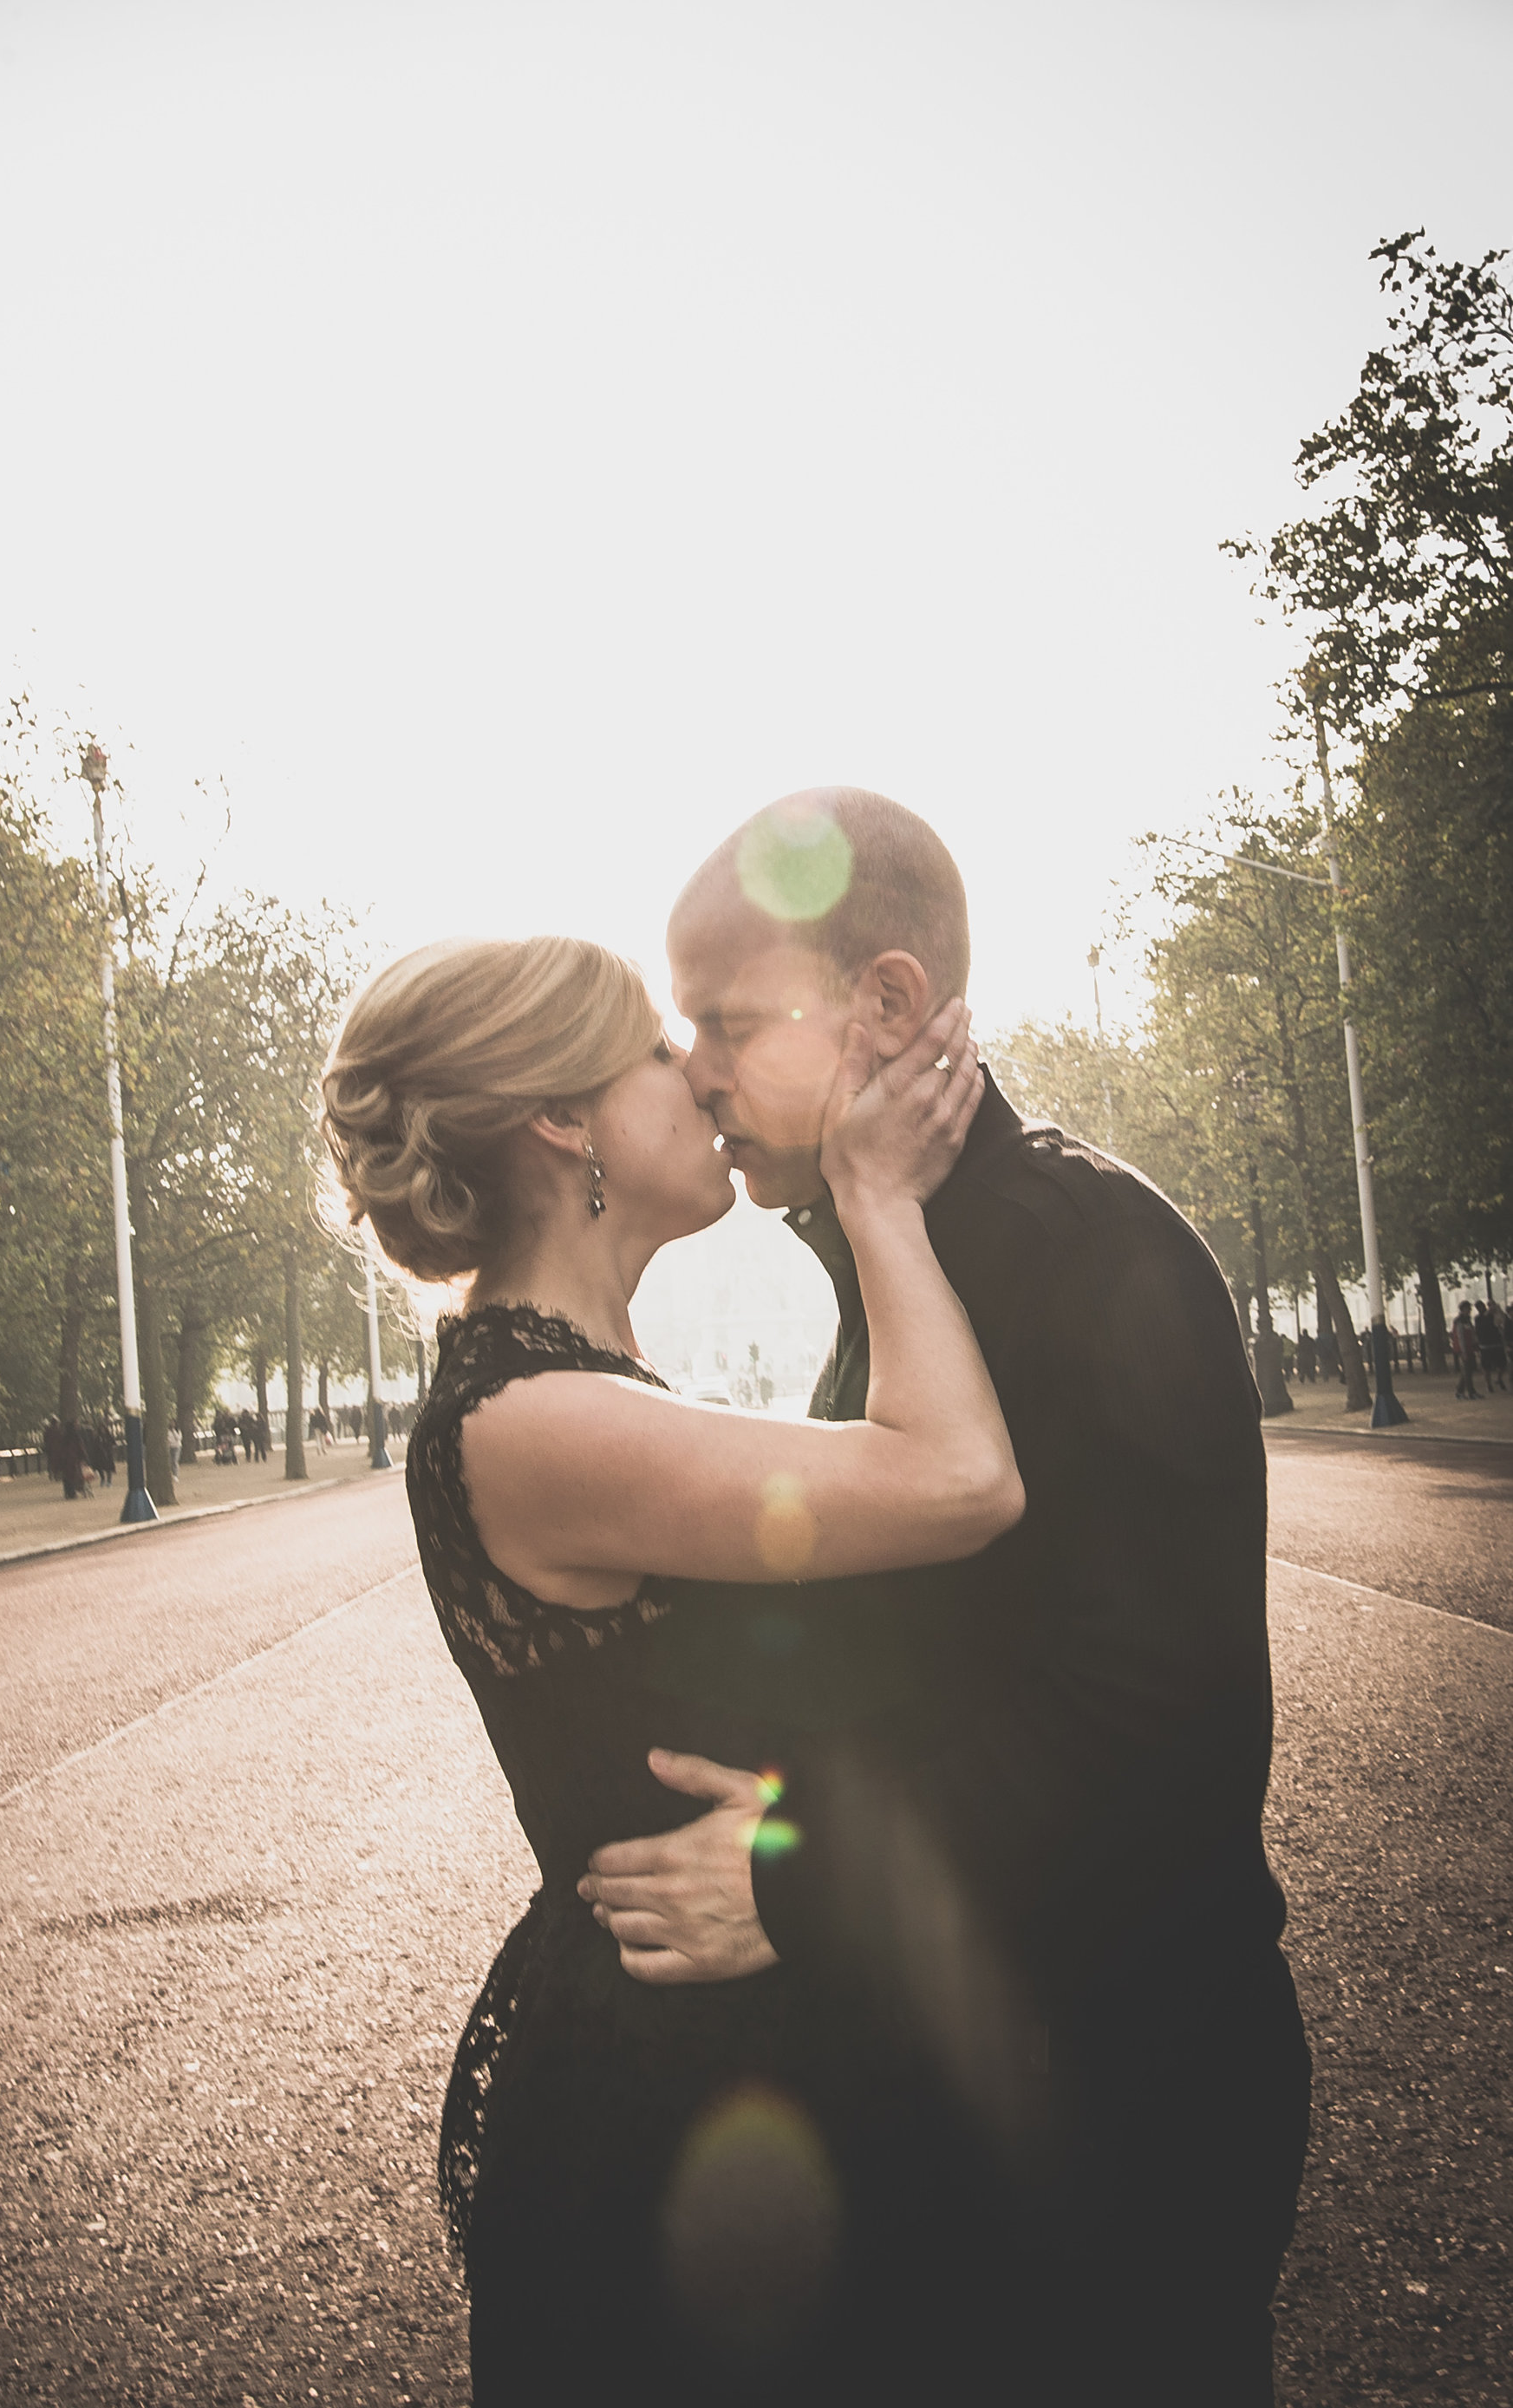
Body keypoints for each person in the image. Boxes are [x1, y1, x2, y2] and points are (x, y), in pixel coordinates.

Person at [575, 789, 1309, 2405]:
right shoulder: (902, 1258)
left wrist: (797, 1879)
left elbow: (1153, 1727)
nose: (693, 1067)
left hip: (1129, 2104)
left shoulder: (1083, 1257)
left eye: (724, 1019)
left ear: (887, 1006)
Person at [323, 930, 1019, 2404]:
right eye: (656, 1047)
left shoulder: (571, 1390)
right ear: (563, 1120)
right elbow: (958, 1478)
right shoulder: (541, 1421)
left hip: (714, 2054)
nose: (699, 1073)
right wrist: (879, 1195)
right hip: (675, 2096)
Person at [1452, 1302, 1480, 1398]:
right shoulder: (1459, 1321)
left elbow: (1472, 1334)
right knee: (1467, 1370)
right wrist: (1463, 1351)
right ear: (1463, 1309)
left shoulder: (1467, 1320)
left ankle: (1460, 1391)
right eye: (1468, 1308)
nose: (1470, 1310)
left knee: (1468, 1370)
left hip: (1469, 1348)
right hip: (1464, 1349)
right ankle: (1471, 1392)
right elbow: (1460, 1337)